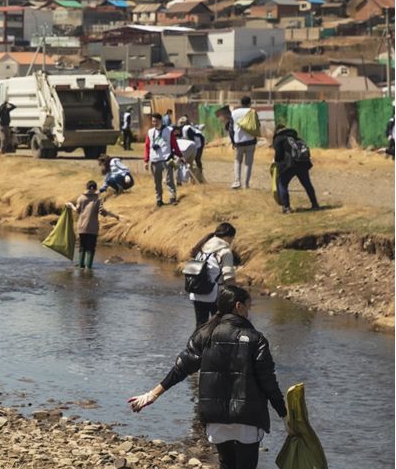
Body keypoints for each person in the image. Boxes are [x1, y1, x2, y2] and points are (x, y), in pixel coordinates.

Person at [128, 285, 288, 469]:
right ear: (239, 306)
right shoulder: (256, 339)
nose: (249, 312)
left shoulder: (205, 334)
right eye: (248, 307)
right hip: (248, 418)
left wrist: (152, 394)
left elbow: (181, 369)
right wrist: (284, 414)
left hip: (215, 417)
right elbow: (268, 382)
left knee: (226, 464)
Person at [187, 223, 236, 326]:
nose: (232, 241)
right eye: (232, 238)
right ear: (227, 237)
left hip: (196, 293)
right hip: (214, 294)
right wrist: (235, 296)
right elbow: (229, 277)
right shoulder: (225, 251)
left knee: (200, 326)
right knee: (217, 326)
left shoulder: (202, 248)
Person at [66, 180, 118, 269]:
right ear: (95, 188)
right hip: (93, 228)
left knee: (82, 247)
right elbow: (103, 212)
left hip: (82, 227)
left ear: (86, 187)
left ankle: (81, 267)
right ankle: (88, 268)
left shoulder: (81, 198)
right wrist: (114, 215)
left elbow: (77, 210)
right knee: (90, 248)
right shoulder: (98, 199)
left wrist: (70, 205)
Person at [272, 124, 319, 214]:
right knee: (307, 184)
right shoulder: (295, 137)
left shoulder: (279, 138)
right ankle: (315, 204)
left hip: (289, 165)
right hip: (302, 163)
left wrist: (277, 163)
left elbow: (278, 154)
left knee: (282, 184)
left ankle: (286, 207)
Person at [143, 113, 183, 207]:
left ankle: (172, 198)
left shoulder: (169, 131)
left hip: (166, 158)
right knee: (157, 182)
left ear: (161, 121)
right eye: (153, 121)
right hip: (154, 160)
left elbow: (174, 144)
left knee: (169, 180)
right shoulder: (150, 132)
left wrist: (180, 155)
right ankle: (159, 199)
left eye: (156, 121)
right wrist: (146, 160)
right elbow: (147, 146)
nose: (155, 123)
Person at [228, 97, 259, 189]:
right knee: (248, 163)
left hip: (238, 141)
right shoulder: (253, 112)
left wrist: (233, 141)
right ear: (249, 103)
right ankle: (246, 184)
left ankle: (237, 181)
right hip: (250, 141)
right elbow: (256, 126)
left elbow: (230, 129)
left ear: (241, 103)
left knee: (237, 161)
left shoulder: (234, 113)